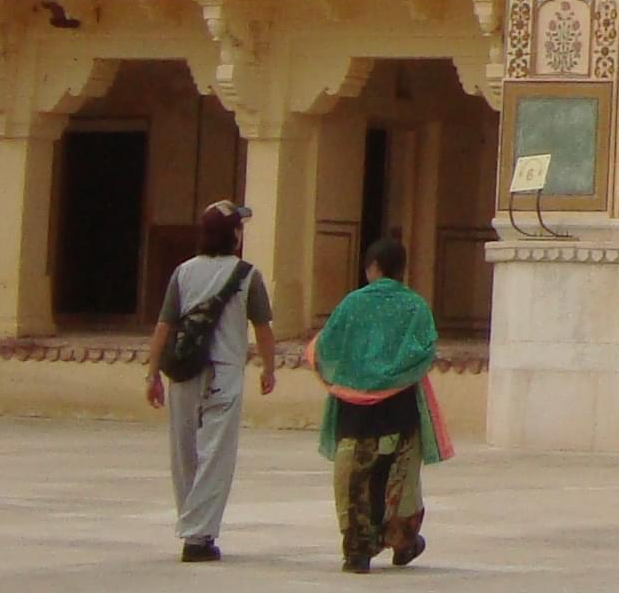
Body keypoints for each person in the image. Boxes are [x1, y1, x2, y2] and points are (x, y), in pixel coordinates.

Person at [146, 199, 277, 563]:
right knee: (216, 455)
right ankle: (198, 535)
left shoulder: (183, 272)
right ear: (234, 234)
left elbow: (164, 326)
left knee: (184, 452)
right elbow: (263, 328)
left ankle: (191, 524)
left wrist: (152, 372)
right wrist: (269, 368)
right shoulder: (248, 275)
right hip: (225, 374)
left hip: (184, 372)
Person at [309, 233, 447, 573]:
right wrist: (393, 373)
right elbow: (426, 349)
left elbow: (327, 347)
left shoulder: (352, 304)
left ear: (372, 267)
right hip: (400, 407)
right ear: (401, 269)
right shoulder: (415, 307)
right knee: (399, 477)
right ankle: (403, 541)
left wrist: (356, 373)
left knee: (354, 477)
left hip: (355, 410)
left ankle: (357, 549)